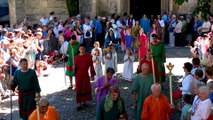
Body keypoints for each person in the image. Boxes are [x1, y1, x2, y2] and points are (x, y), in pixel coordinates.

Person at [74, 44, 95, 110]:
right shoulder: (76, 57)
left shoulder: (88, 57)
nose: (82, 50)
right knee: (79, 88)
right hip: (78, 75)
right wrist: (74, 68)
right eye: (80, 49)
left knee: (85, 87)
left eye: (83, 49)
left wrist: (92, 75)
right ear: (79, 50)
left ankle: (84, 101)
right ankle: (79, 103)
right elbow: (75, 67)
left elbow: (91, 66)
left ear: (85, 49)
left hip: (85, 74)